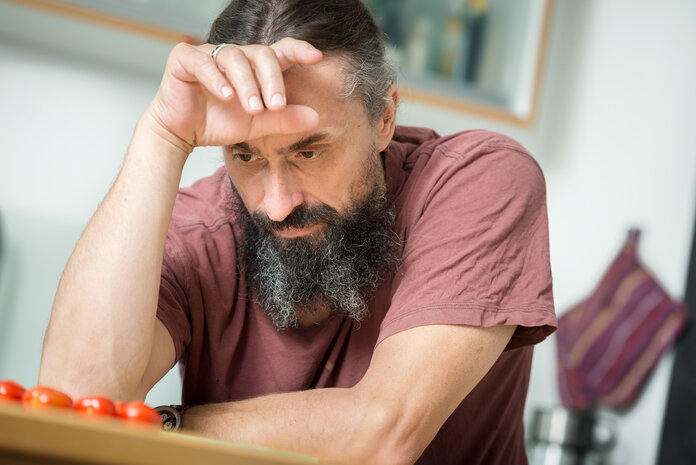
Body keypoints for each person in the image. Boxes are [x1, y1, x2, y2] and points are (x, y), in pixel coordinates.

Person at [38, 0, 556, 464]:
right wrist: (162, 135)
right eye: (246, 156)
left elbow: (383, 436)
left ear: (385, 116)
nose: (277, 204)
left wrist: (161, 429)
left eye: (308, 151)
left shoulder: (479, 179)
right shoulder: (200, 227)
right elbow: (73, 407)